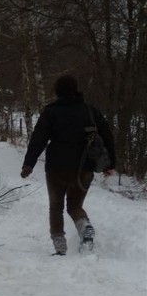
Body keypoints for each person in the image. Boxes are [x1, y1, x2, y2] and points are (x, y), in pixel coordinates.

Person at [21, 75, 115, 255]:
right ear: (76, 89)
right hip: (83, 167)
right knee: (74, 206)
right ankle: (85, 226)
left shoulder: (51, 111)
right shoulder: (90, 111)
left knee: (56, 207)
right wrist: (110, 164)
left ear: (57, 91)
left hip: (57, 168)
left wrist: (29, 164)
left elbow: (38, 139)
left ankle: (60, 248)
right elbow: (107, 136)